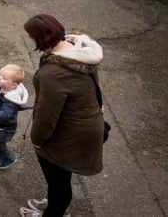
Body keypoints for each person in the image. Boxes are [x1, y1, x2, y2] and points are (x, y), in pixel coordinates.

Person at [20, 15, 104, 217]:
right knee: (60, 181)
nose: (31, 41)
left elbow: (47, 117)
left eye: (32, 37)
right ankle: (55, 204)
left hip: (72, 134)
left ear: (41, 38)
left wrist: (37, 140)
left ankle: (55, 212)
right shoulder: (79, 51)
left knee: (59, 182)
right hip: (88, 125)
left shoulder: (54, 75)